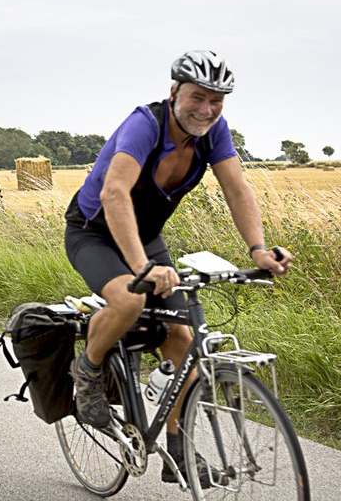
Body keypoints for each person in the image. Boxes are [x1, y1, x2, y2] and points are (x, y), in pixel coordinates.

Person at [64, 51, 292, 486]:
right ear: (174, 92)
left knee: (182, 338)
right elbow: (114, 194)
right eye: (197, 97)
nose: (206, 109)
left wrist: (259, 251)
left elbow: (237, 189)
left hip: (146, 237)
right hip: (94, 231)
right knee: (128, 300)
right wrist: (141, 267)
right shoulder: (144, 125)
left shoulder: (214, 132)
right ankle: (88, 371)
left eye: (216, 101)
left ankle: (179, 452)